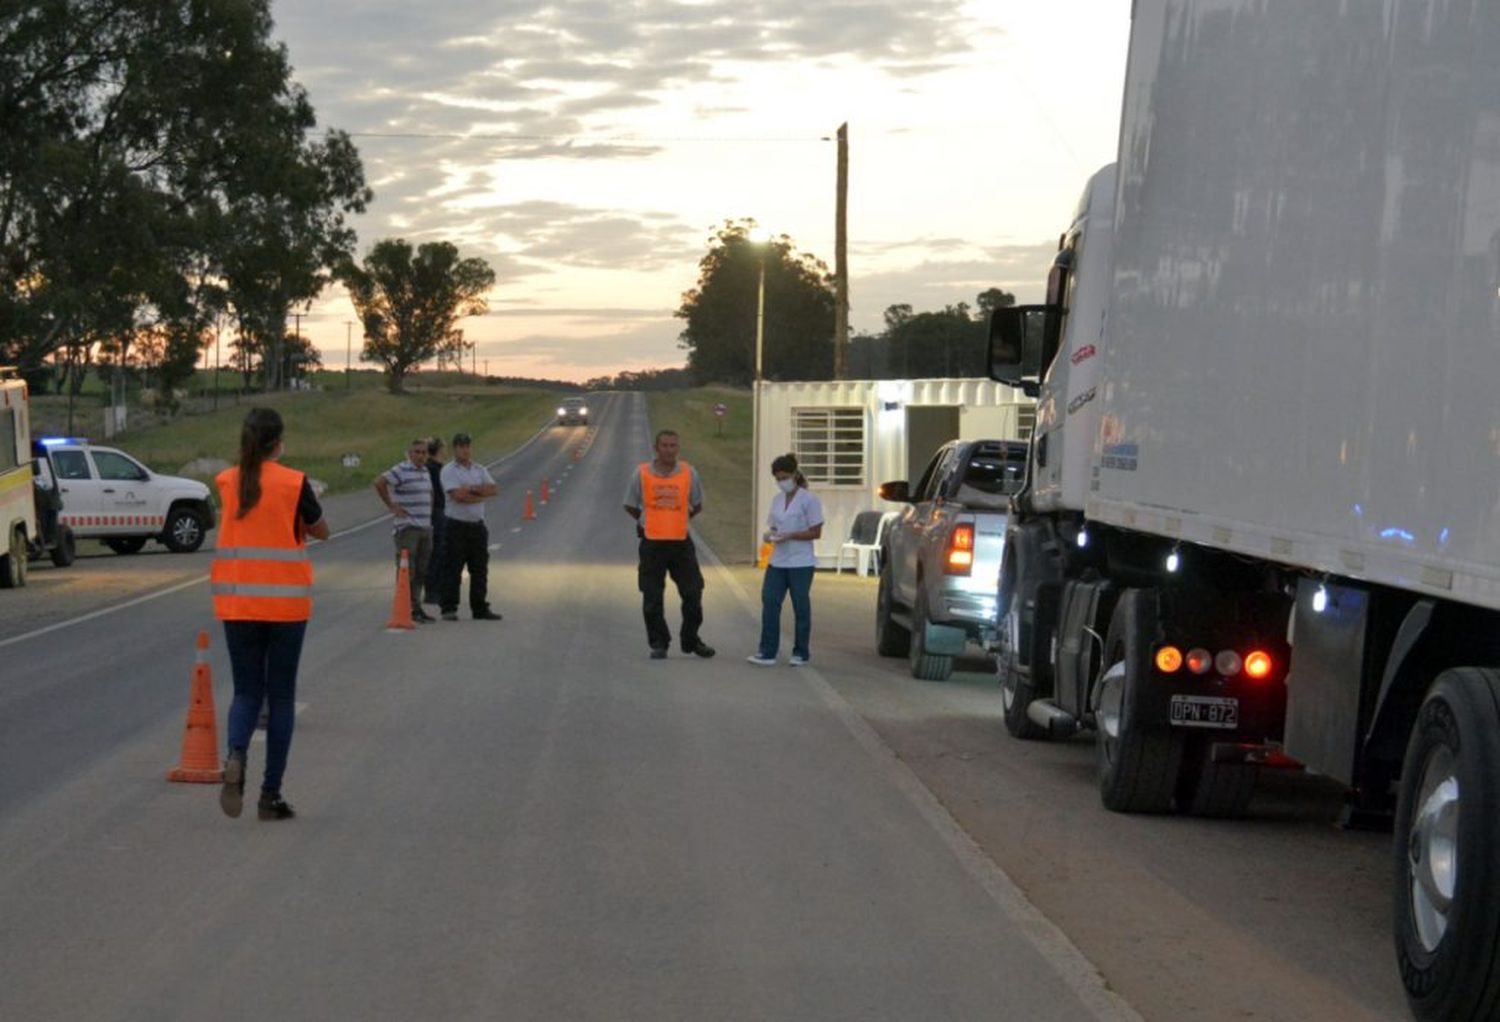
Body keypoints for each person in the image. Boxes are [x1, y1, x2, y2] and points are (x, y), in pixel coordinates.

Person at [211, 407, 329, 821]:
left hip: (238, 602)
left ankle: (235, 752)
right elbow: (321, 529)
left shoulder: (227, 482)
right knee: (280, 698)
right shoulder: (294, 482)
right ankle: (270, 795)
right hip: (286, 607)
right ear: (279, 441)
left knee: (246, 692)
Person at [623, 429, 716, 660]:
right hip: (652, 543)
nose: (669, 450)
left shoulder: (688, 472)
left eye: (673, 445)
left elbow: (697, 503)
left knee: (693, 592)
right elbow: (630, 505)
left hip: (680, 542)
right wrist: (647, 521)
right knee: (652, 596)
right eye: (664, 445)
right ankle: (659, 643)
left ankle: (691, 640)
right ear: (657, 448)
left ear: (678, 448)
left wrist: (678, 521)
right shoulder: (642, 473)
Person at [747, 454, 823, 666]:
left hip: (801, 562)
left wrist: (791, 535)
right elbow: (773, 526)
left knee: (800, 605)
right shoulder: (777, 500)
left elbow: (816, 532)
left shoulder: (809, 500)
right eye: (778, 478)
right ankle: (767, 650)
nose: (782, 482)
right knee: (770, 601)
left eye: (785, 477)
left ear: (795, 475)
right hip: (778, 561)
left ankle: (801, 651)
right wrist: (770, 535)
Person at [439, 431, 502, 621]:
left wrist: (472, 490)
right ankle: (449, 607)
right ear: (454, 449)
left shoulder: (479, 469)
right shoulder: (449, 470)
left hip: (477, 526)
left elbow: (493, 489)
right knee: (453, 567)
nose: (465, 450)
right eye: (461, 446)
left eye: (467, 446)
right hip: (456, 526)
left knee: (480, 569)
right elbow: (457, 496)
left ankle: (479, 607)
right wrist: (478, 493)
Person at [373, 438, 434, 623]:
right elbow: (379, 482)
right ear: (410, 453)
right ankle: (405, 607)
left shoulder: (425, 471)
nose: (421, 455)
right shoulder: (401, 469)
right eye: (417, 452)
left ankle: (416, 607)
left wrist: (429, 510)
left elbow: (430, 493)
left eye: (424, 452)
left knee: (422, 571)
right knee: (408, 570)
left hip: (425, 526)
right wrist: (391, 505)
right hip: (408, 528)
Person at [423, 435, 447, 606]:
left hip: (435, 511)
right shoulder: (434, 469)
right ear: (439, 449)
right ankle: (433, 590)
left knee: (436, 551)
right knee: (437, 551)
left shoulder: (429, 467)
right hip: (437, 511)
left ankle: (435, 588)